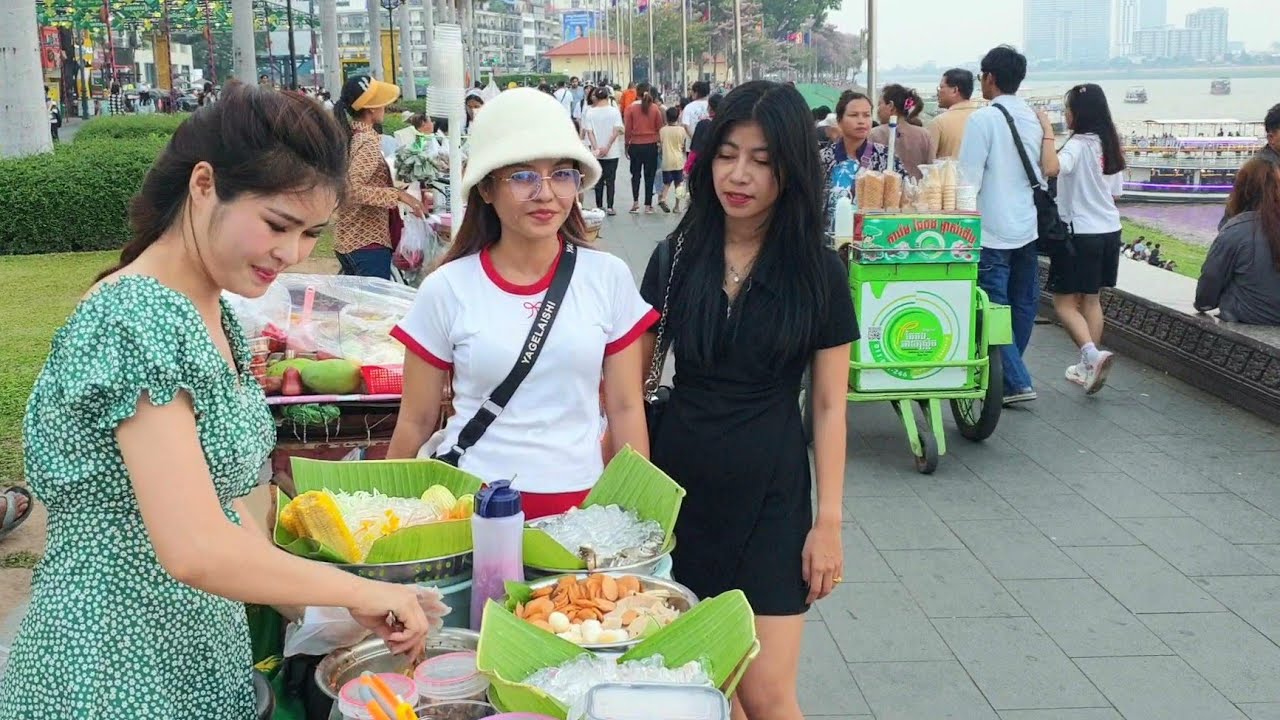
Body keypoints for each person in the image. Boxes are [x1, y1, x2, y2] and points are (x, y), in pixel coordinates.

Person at [0, 82, 445, 720]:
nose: (290, 254)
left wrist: (329, 605)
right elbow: (195, 547)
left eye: (311, 234)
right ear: (204, 185)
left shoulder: (216, 314)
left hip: (201, 655)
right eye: (276, 225)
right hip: (109, 669)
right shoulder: (136, 319)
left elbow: (235, 517)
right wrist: (351, 589)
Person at [640, 80, 854, 720]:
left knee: (765, 693)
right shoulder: (676, 256)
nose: (739, 176)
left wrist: (830, 524)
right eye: (727, 154)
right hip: (678, 491)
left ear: (789, 171)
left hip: (773, 493)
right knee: (701, 682)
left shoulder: (819, 272)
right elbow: (630, 382)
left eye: (761, 161)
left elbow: (828, 408)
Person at [386, 88, 655, 519]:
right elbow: (415, 422)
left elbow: (624, 408)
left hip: (581, 515)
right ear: (487, 189)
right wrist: (390, 517)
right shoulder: (447, 287)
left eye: (562, 174)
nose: (546, 194)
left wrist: (636, 514)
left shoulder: (608, 277)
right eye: (523, 176)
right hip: (469, 513)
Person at [959, 45, 1058, 405]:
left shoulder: (984, 120)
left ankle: (1013, 380)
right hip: (1027, 227)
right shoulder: (1033, 118)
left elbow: (967, 181)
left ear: (989, 78)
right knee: (1023, 303)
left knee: (994, 306)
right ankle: (1006, 374)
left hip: (992, 230)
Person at [1044, 83, 1125, 395]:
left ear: (1079, 114)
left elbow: (1052, 167)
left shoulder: (1077, 146)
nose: (1066, 114)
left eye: (1069, 109)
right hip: (1109, 231)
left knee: (1063, 302)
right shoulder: (1109, 145)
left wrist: (1048, 133)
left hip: (1080, 233)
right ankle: (1088, 366)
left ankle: (1092, 356)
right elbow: (1115, 193)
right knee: (1091, 299)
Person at [333, 75, 426, 280]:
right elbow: (352, 189)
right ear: (371, 108)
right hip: (365, 244)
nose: (386, 106)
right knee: (373, 310)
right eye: (382, 102)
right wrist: (399, 196)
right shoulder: (367, 142)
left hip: (351, 240)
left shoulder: (352, 136)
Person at [1195, 158, 1280, 325]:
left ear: (1242, 190)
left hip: (1246, 321)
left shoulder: (1237, 230)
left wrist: (1204, 304)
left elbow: (1209, 285)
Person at [819, 91, 905, 233]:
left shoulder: (885, 157)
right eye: (854, 115)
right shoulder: (823, 159)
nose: (861, 121)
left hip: (874, 241)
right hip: (829, 245)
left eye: (866, 115)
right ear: (839, 121)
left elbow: (901, 198)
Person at [870, 84, 937, 179]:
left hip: (885, 191)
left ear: (891, 106)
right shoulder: (924, 135)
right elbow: (932, 169)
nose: (878, 110)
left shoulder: (874, 134)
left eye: (880, 104)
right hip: (917, 191)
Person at [581, 86, 625, 215]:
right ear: (607, 97)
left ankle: (599, 206)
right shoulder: (614, 111)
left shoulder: (590, 112)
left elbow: (590, 132)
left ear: (595, 97)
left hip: (596, 153)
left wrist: (596, 148)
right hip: (612, 152)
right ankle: (610, 206)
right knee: (610, 180)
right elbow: (616, 130)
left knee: (598, 180)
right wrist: (607, 146)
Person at [624, 82, 664, 214]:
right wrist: (659, 144)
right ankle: (648, 205)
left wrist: (626, 145)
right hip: (651, 145)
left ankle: (635, 203)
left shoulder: (630, 108)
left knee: (635, 175)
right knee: (649, 175)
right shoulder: (654, 108)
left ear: (637, 93)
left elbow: (628, 129)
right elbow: (659, 128)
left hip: (635, 145)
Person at [928, 68, 979, 159]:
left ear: (955, 90)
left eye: (941, 87)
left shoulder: (939, 122)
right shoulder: (982, 118)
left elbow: (928, 163)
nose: (938, 92)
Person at [658, 106, 688, 213]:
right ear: (678, 117)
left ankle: (663, 198)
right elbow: (683, 145)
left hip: (666, 160)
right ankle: (677, 207)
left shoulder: (662, 130)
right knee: (678, 184)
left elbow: (661, 145)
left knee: (666, 183)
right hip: (678, 160)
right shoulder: (682, 130)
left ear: (667, 117)